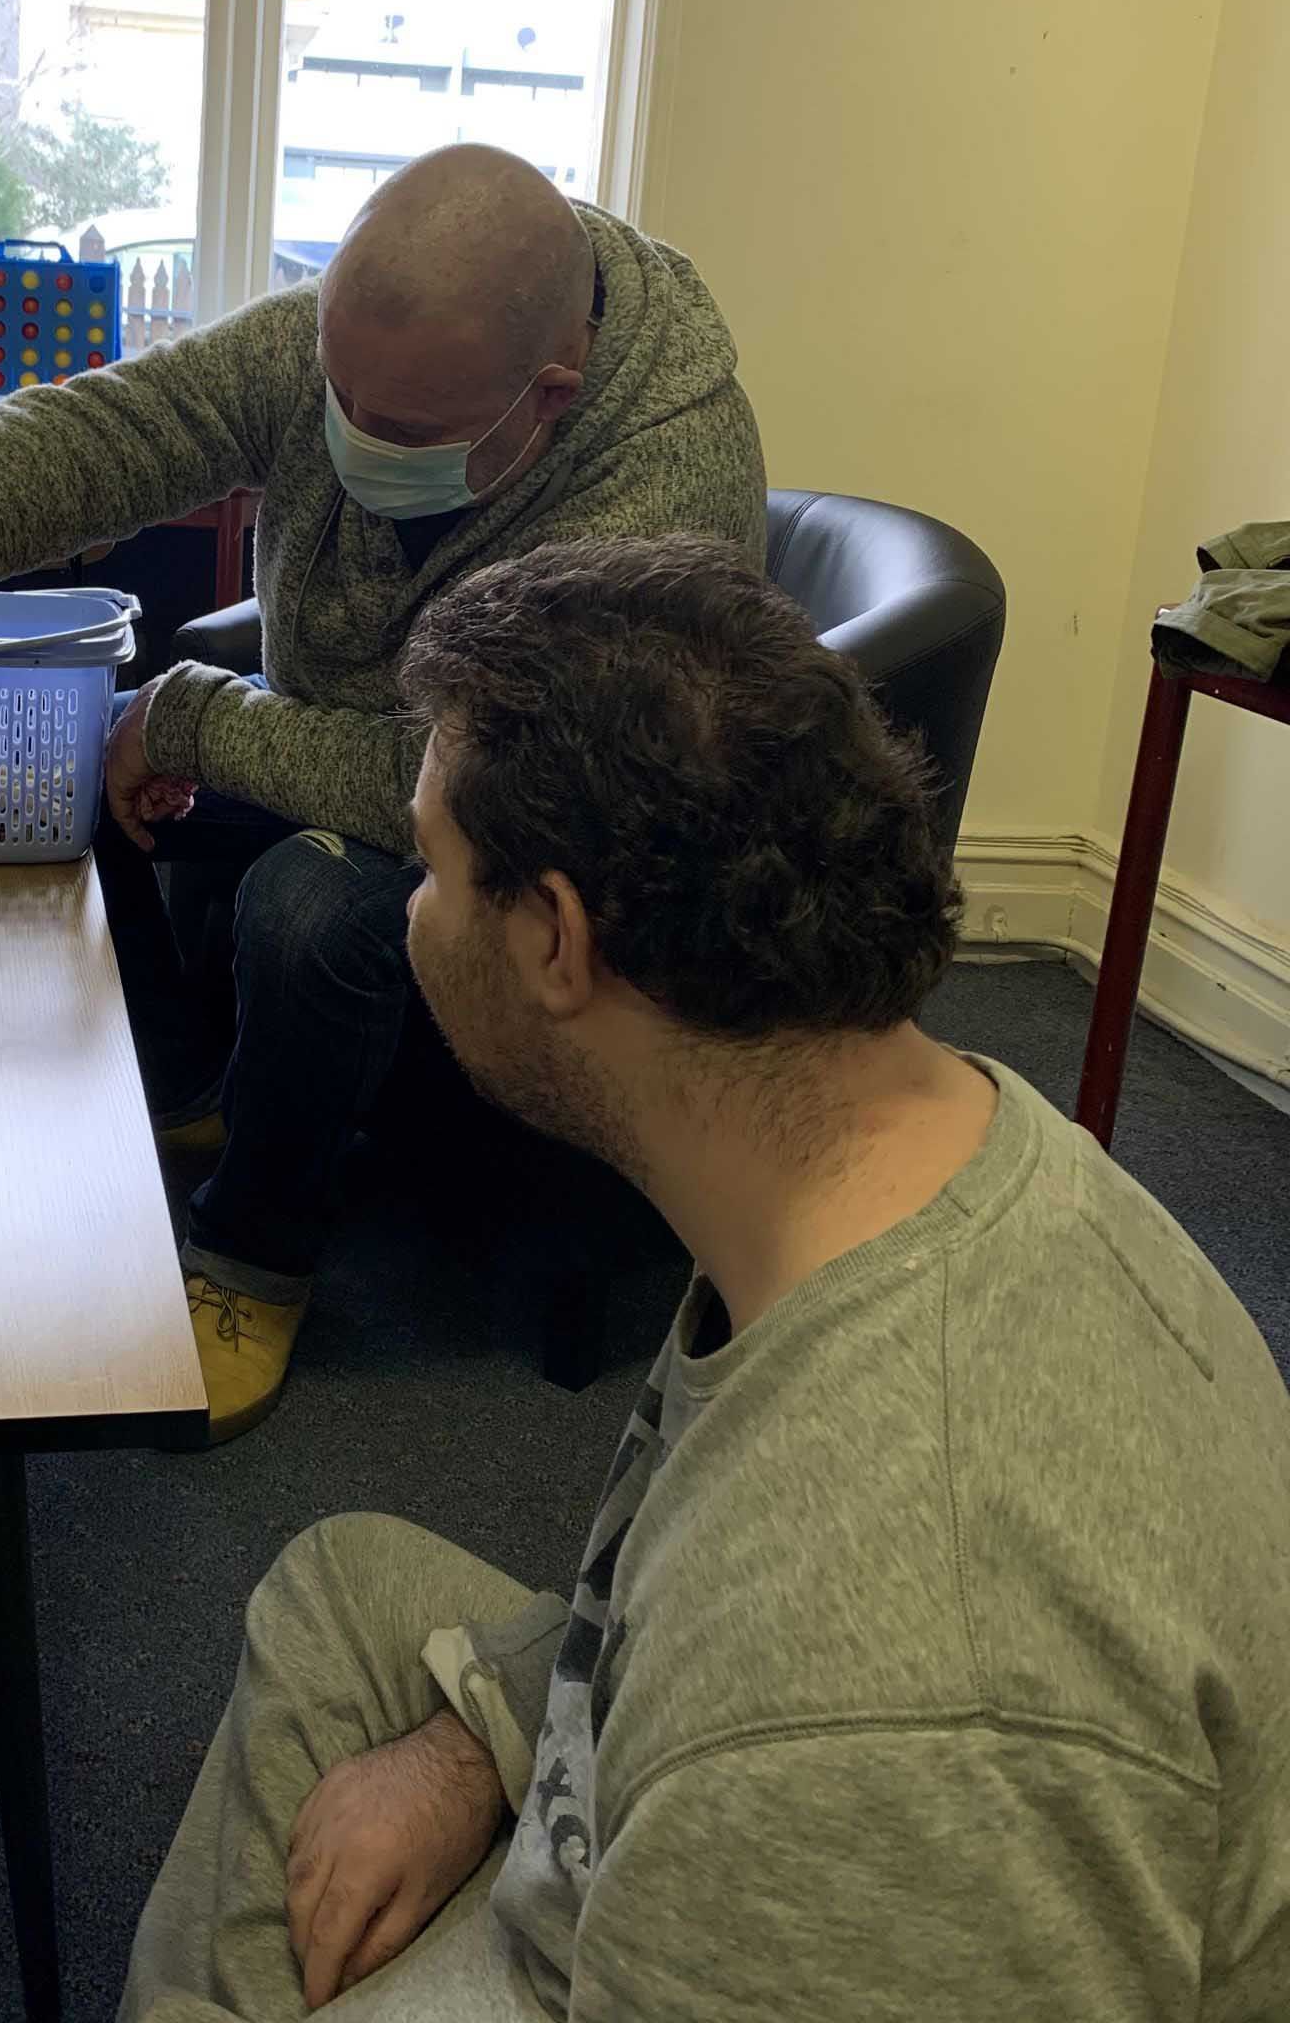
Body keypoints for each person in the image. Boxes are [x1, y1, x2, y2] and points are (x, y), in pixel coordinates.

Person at [120, 535, 1290, 2022]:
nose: (410, 910)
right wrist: (478, 1739)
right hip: (736, 1768)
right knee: (343, 1590)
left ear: (554, 939)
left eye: (429, 865)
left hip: (747, 1884)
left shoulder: (887, 1684)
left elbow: (865, 1735)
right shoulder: (926, 1150)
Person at [0, 146, 766, 1440]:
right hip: (347, 733)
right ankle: (198, 1095)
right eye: (338, 398)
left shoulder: (661, 486)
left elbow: (462, 781)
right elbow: (83, 440)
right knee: (70, 754)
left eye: (396, 435)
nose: (350, 444)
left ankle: (252, 1259)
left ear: (549, 399)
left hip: (548, 829)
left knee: (311, 903)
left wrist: (189, 715)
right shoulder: (380, 343)